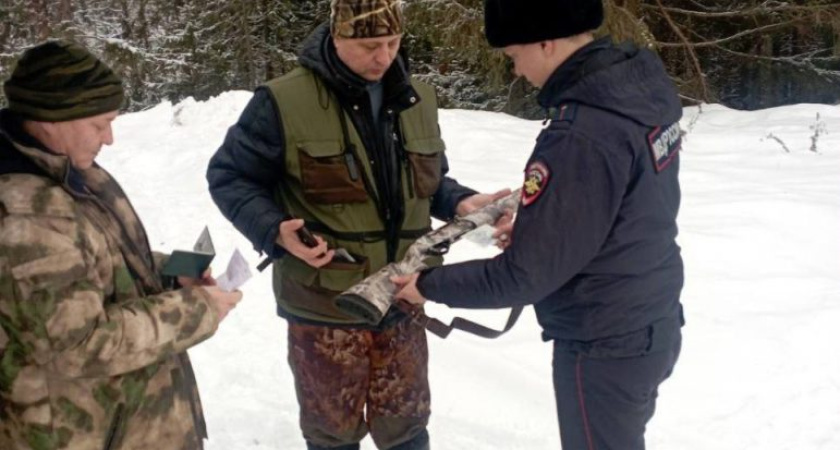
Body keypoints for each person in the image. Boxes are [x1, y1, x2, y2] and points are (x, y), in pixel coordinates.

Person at [205, 1, 509, 448]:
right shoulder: (282, 102)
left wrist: (461, 201)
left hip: (403, 296)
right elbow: (230, 176)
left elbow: (426, 183)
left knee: (407, 430)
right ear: (337, 36)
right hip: (326, 306)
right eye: (369, 46)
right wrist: (274, 229)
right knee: (333, 434)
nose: (384, 57)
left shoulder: (417, 98)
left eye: (393, 43)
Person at [393, 1, 685, 449]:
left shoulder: (582, 132)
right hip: (649, 318)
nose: (515, 70)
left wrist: (427, 285)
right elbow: (621, 210)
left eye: (514, 55)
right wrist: (544, 228)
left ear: (546, 43)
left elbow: (524, 276)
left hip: (603, 339)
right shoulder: (633, 95)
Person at [0, 41, 242, 449]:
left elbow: (100, 264)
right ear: (52, 118)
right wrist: (197, 310)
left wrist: (172, 272)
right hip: (86, 434)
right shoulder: (27, 218)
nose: (109, 139)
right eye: (100, 125)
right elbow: (79, 344)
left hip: (128, 422)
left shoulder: (66, 169)